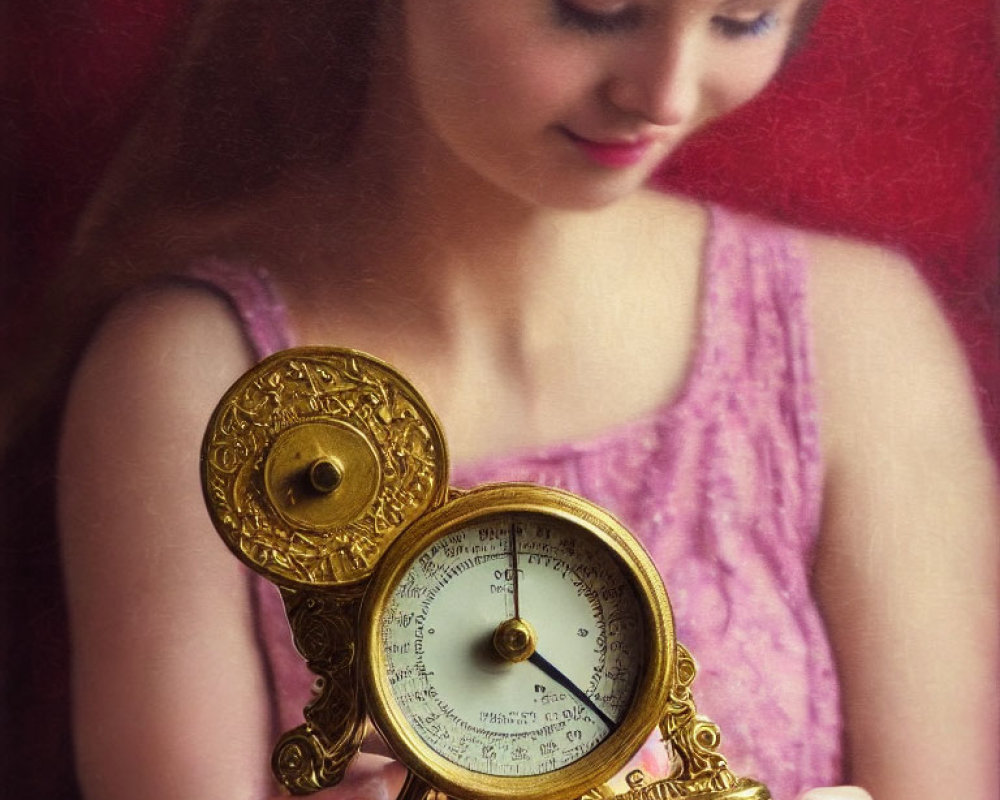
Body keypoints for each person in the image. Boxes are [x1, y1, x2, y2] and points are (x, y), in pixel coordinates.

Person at [53, 1, 997, 799]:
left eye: (741, 16)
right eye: (596, 7)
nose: (663, 93)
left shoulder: (852, 334)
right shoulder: (198, 378)